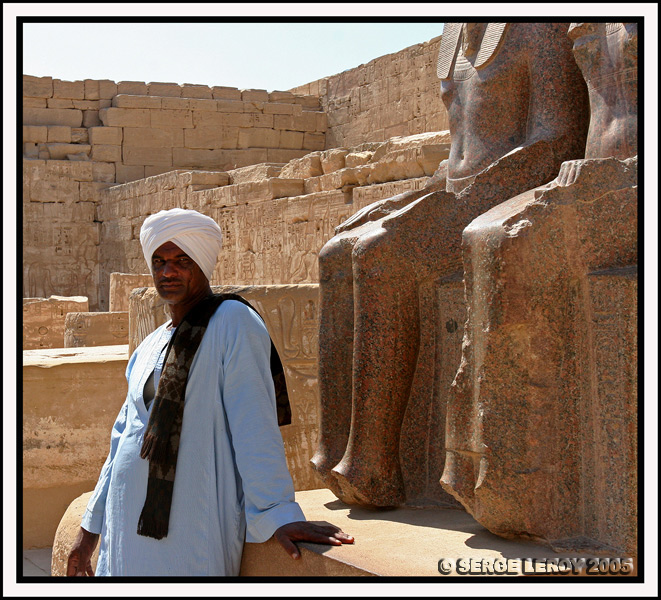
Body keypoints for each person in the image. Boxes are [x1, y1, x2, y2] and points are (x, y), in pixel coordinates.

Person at [310, 22, 590, 508]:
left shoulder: (536, 29)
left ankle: (373, 462)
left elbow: (557, 141)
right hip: (459, 192)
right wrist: (410, 198)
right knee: (335, 253)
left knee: (381, 253)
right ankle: (334, 450)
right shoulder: (456, 39)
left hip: (513, 190)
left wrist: (460, 199)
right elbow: (459, 154)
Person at [66, 208, 353, 576]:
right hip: (124, 530)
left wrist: (279, 514)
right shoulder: (151, 345)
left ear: (202, 263)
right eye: (159, 261)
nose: (167, 271)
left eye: (181, 260)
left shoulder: (232, 323)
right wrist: (89, 532)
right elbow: (122, 439)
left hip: (191, 530)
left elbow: (254, 426)